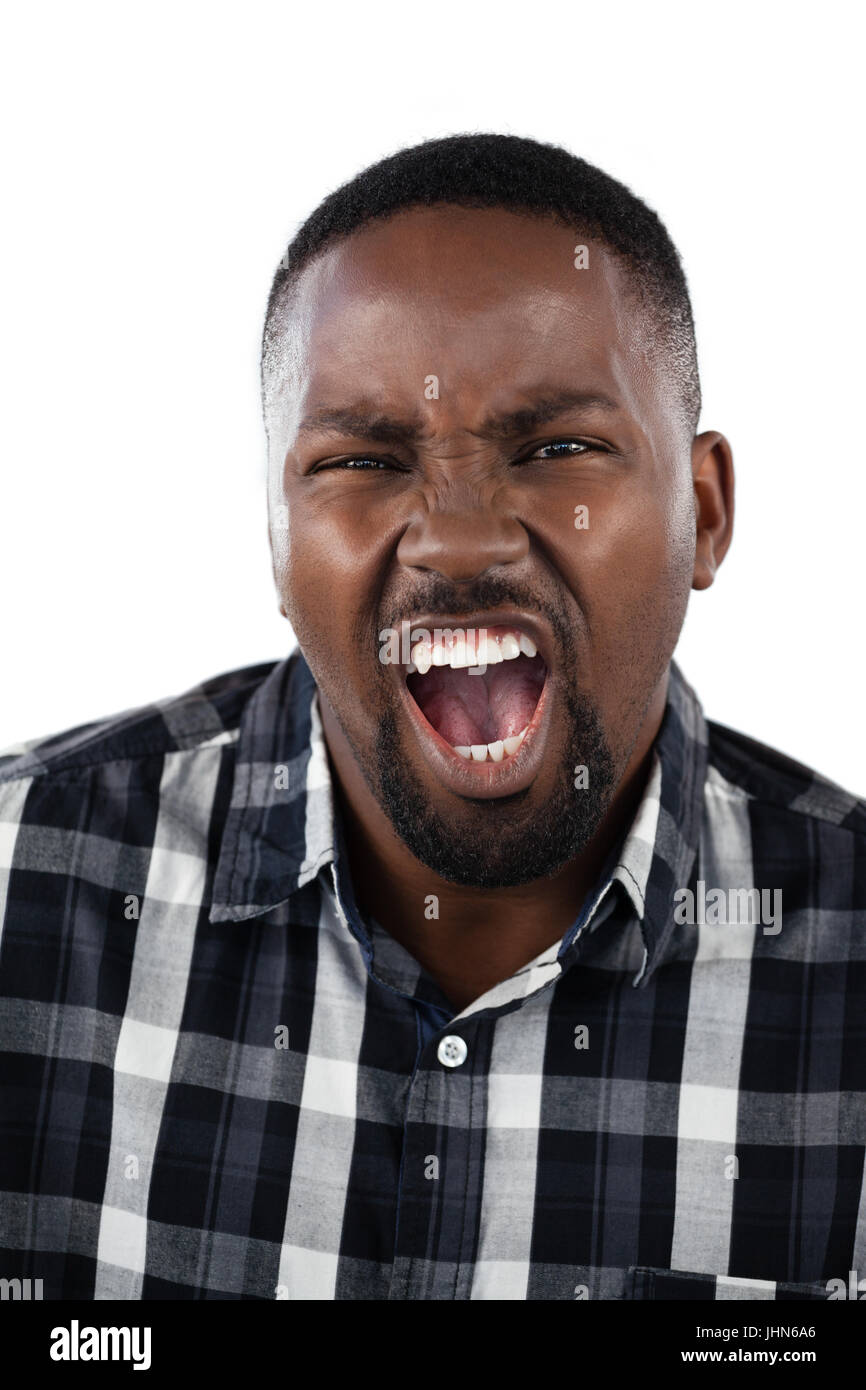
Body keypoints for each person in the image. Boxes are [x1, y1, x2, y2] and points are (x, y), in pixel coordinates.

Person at [0, 134, 863, 1302]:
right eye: (361, 459)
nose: (458, 540)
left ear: (701, 514)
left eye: (558, 448)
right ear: (274, 537)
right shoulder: (17, 883)